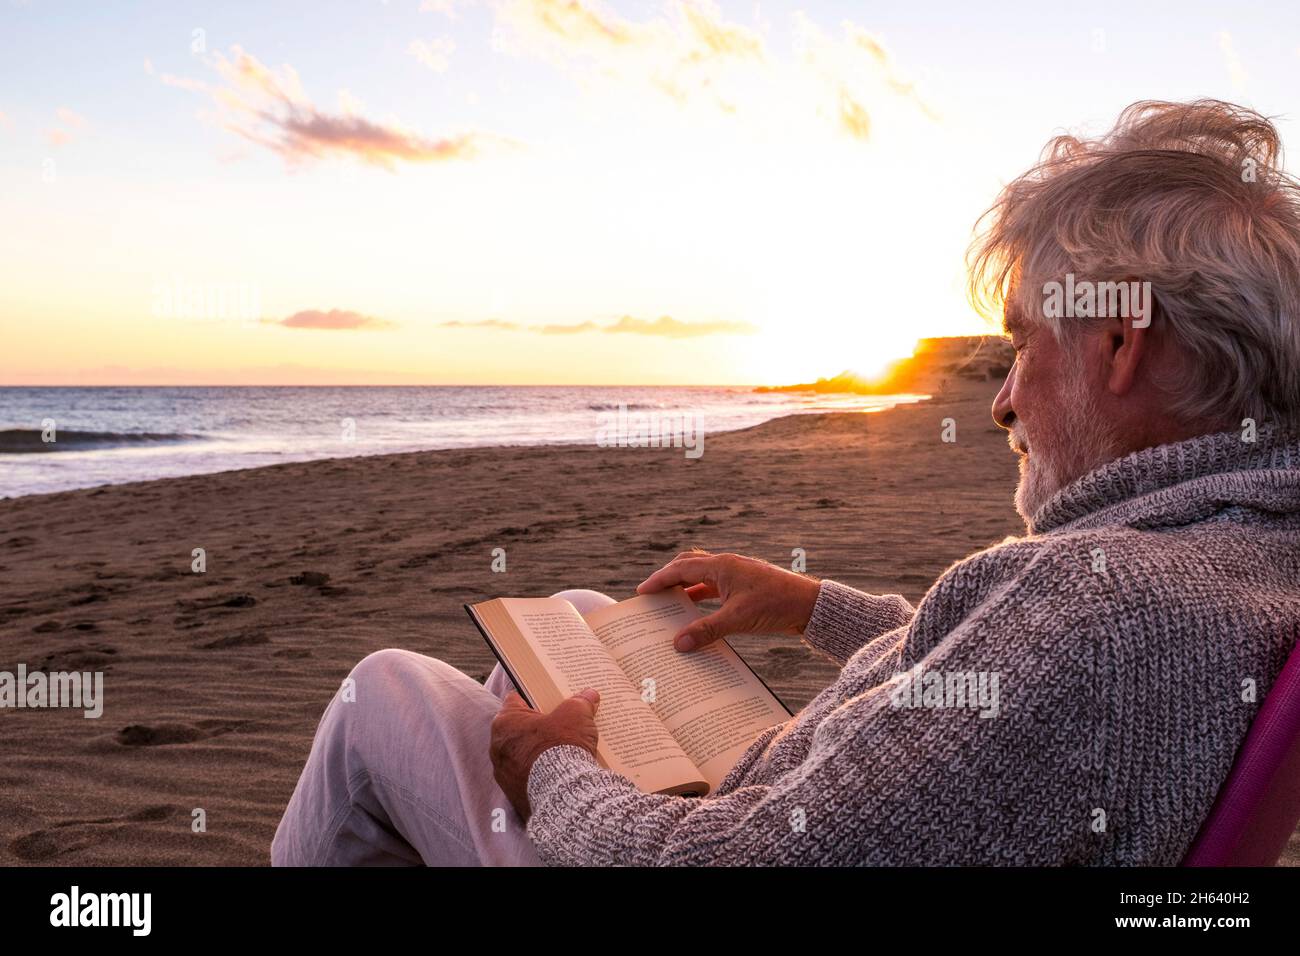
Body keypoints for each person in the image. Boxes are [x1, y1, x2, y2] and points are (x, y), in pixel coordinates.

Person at [273, 99, 1300, 866]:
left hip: (713, 840)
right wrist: (813, 605)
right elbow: (1004, 691)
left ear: (1120, 344)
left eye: (1022, 347)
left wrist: (552, 773)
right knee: (585, 623)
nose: (1002, 402)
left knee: (387, 692)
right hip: (796, 805)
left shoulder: (1093, 599)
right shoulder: (1241, 552)